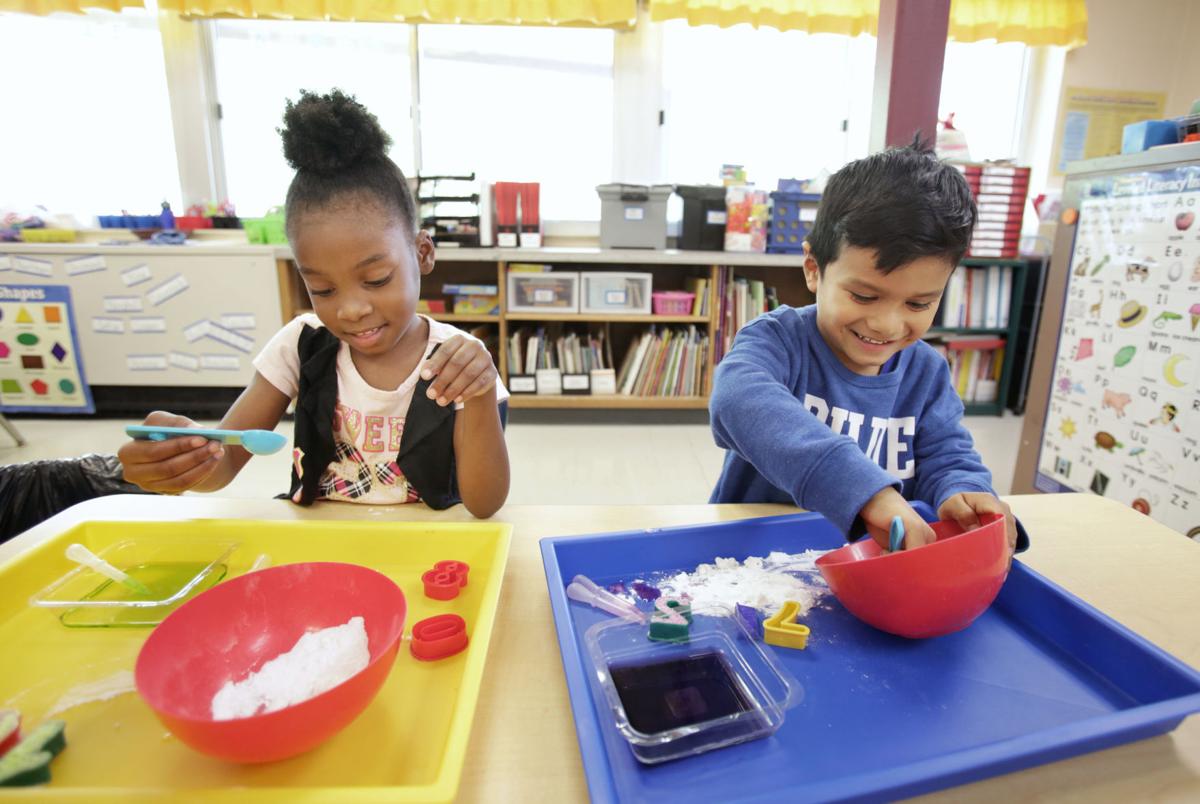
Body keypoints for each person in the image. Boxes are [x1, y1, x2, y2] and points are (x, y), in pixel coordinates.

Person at [118, 89, 509, 518]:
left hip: (428, 551)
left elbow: (484, 503)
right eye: (322, 290)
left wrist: (480, 389)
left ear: (423, 253)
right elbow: (225, 464)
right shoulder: (301, 345)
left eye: (376, 279)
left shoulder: (456, 359)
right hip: (320, 551)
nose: (350, 309)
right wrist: (187, 459)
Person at [709, 138, 1027, 552]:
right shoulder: (776, 340)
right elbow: (737, 401)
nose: (886, 324)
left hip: (873, 569)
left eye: (919, 303)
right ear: (813, 269)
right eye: (863, 296)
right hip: (751, 562)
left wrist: (963, 491)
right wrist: (868, 493)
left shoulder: (927, 372)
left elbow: (946, 453)